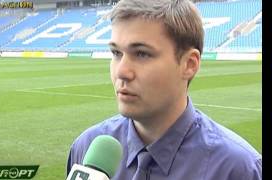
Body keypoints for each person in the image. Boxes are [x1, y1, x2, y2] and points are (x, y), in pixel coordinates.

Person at [66, 0, 262, 179]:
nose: (122, 71)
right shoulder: (86, 147)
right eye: (116, 53)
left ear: (189, 64)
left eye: (142, 54)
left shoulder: (237, 169)